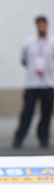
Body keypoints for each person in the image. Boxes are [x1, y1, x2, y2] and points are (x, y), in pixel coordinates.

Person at [13, 15, 54, 148]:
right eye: (39, 24)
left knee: (46, 113)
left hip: (48, 83)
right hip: (31, 83)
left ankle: (43, 137)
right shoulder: (28, 42)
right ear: (36, 26)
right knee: (27, 111)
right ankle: (19, 137)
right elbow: (23, 60)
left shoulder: (52, 42)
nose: (41, 27)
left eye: (43, 24)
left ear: (46, 25)